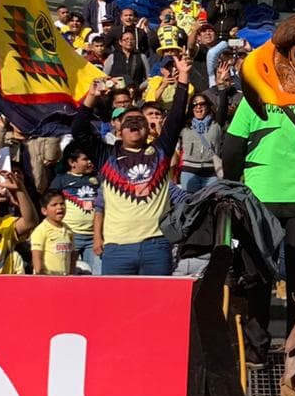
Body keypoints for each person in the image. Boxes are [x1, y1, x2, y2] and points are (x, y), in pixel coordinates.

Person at [222, 85, 295, 349]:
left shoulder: (253, 101)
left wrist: (233, 186)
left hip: (259, 198)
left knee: (256, 274)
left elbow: (232, 149)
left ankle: (257, 349)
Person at [73, 57, 190, 276]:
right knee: (117, 308)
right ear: (118, 129)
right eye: (128, 122)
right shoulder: (105, 155)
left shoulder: (161, 151)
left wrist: (183, 77)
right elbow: (79, 131)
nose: (134, 124)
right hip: (117, 248)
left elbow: (176, 116)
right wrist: (92, 97)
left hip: (157, 245)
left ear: (149, 129)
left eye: (140, 121)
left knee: (157, 308)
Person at [50, 144, 100, 274]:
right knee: (67, 274)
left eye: (91, 159)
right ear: (72, 162)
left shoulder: (98, 178)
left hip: (94, 237)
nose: (90, 162)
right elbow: (50, 204)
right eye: (85, 159)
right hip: (71, 236)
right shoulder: (61, 180)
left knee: (97, 278)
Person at [179, 93, 222, 194]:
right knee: (190, 204)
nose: (198, 107)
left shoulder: (216, 124)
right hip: (189, 172)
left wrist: (222, 89)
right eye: (195, 104)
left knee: (211, 204)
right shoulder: (185, 125)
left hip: (211, 172)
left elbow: (223, 108)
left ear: (208, 106)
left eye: (202, 104)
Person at [31, 189, 75, 275]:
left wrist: (72, 275)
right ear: (44, 211)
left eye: (62, 204)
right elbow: (36, 257)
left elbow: (72, 255)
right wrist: (40, 276)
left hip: (66, 279)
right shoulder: (41, 230)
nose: (59, 207)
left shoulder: (68, 230)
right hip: (48, 280)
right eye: (54, 205)